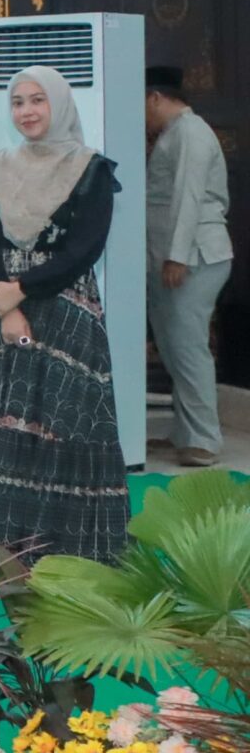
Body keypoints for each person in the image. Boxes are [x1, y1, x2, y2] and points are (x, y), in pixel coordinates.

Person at [0, 66, 126, 568]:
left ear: (59, 105)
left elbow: (84, 249)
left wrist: (22, 291)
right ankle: (0, 548)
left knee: (63, 420)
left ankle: (70, 550)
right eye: (18, 102)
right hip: (3, 309)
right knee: (7, 420)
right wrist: (5, 302)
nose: (27, 111)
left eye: (38, 100)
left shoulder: (91, 170)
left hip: (66, 308)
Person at [143, 65, 232, 467]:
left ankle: (203, 440)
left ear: (155, 98)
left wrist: (177, 255)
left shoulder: (192, 133)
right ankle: (185, 432)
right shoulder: (174, 133)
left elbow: (188, 196)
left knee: (187, 346)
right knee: (174, 346)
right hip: (175, 257)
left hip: (194, 257)